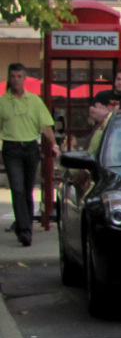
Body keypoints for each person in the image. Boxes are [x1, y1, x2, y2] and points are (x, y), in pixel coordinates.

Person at [0, 63, 60, 246]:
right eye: (13, 76)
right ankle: (25, 230)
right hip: (11, 148)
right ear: (9, 79)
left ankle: (23, 226)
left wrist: (54, 145)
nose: (16, 80)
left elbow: (46, 126)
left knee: (26, 190)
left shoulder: (34, 101)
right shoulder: (2, 102)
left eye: (19, 76)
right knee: (17, 189)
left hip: (30, 148)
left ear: (24, 79)